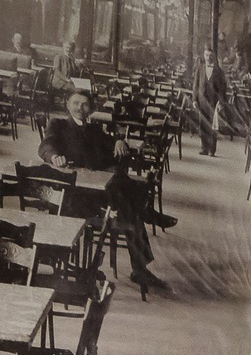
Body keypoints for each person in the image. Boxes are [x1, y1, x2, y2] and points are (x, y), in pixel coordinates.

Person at [40, 90, 175, 294]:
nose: (80, 108)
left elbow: (109, 142)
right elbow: (46, 146)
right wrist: (54, 157)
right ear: (67, 105)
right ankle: (147, 214)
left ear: (91, 109)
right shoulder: (58, 125)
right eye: (75, 103)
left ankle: (140, 268)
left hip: (97, 193)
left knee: (130, 212)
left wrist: (119, 141)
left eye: (85, 104)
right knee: (129, 201)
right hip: (73, 197)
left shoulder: (94, 128)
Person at [192, 46, 227, 154]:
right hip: (202, 101)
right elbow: (195, 85)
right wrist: (194, 99)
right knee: (202, 124)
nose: (208, 58)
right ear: (203, 55)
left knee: (213, 125)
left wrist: (221, 103)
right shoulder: (200, 68)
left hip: (213, 102)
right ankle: (204, 147)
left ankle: (212, 149)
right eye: (206, 55)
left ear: (214, 57)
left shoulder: (219, 71)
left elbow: (222, 89)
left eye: (210, 55)